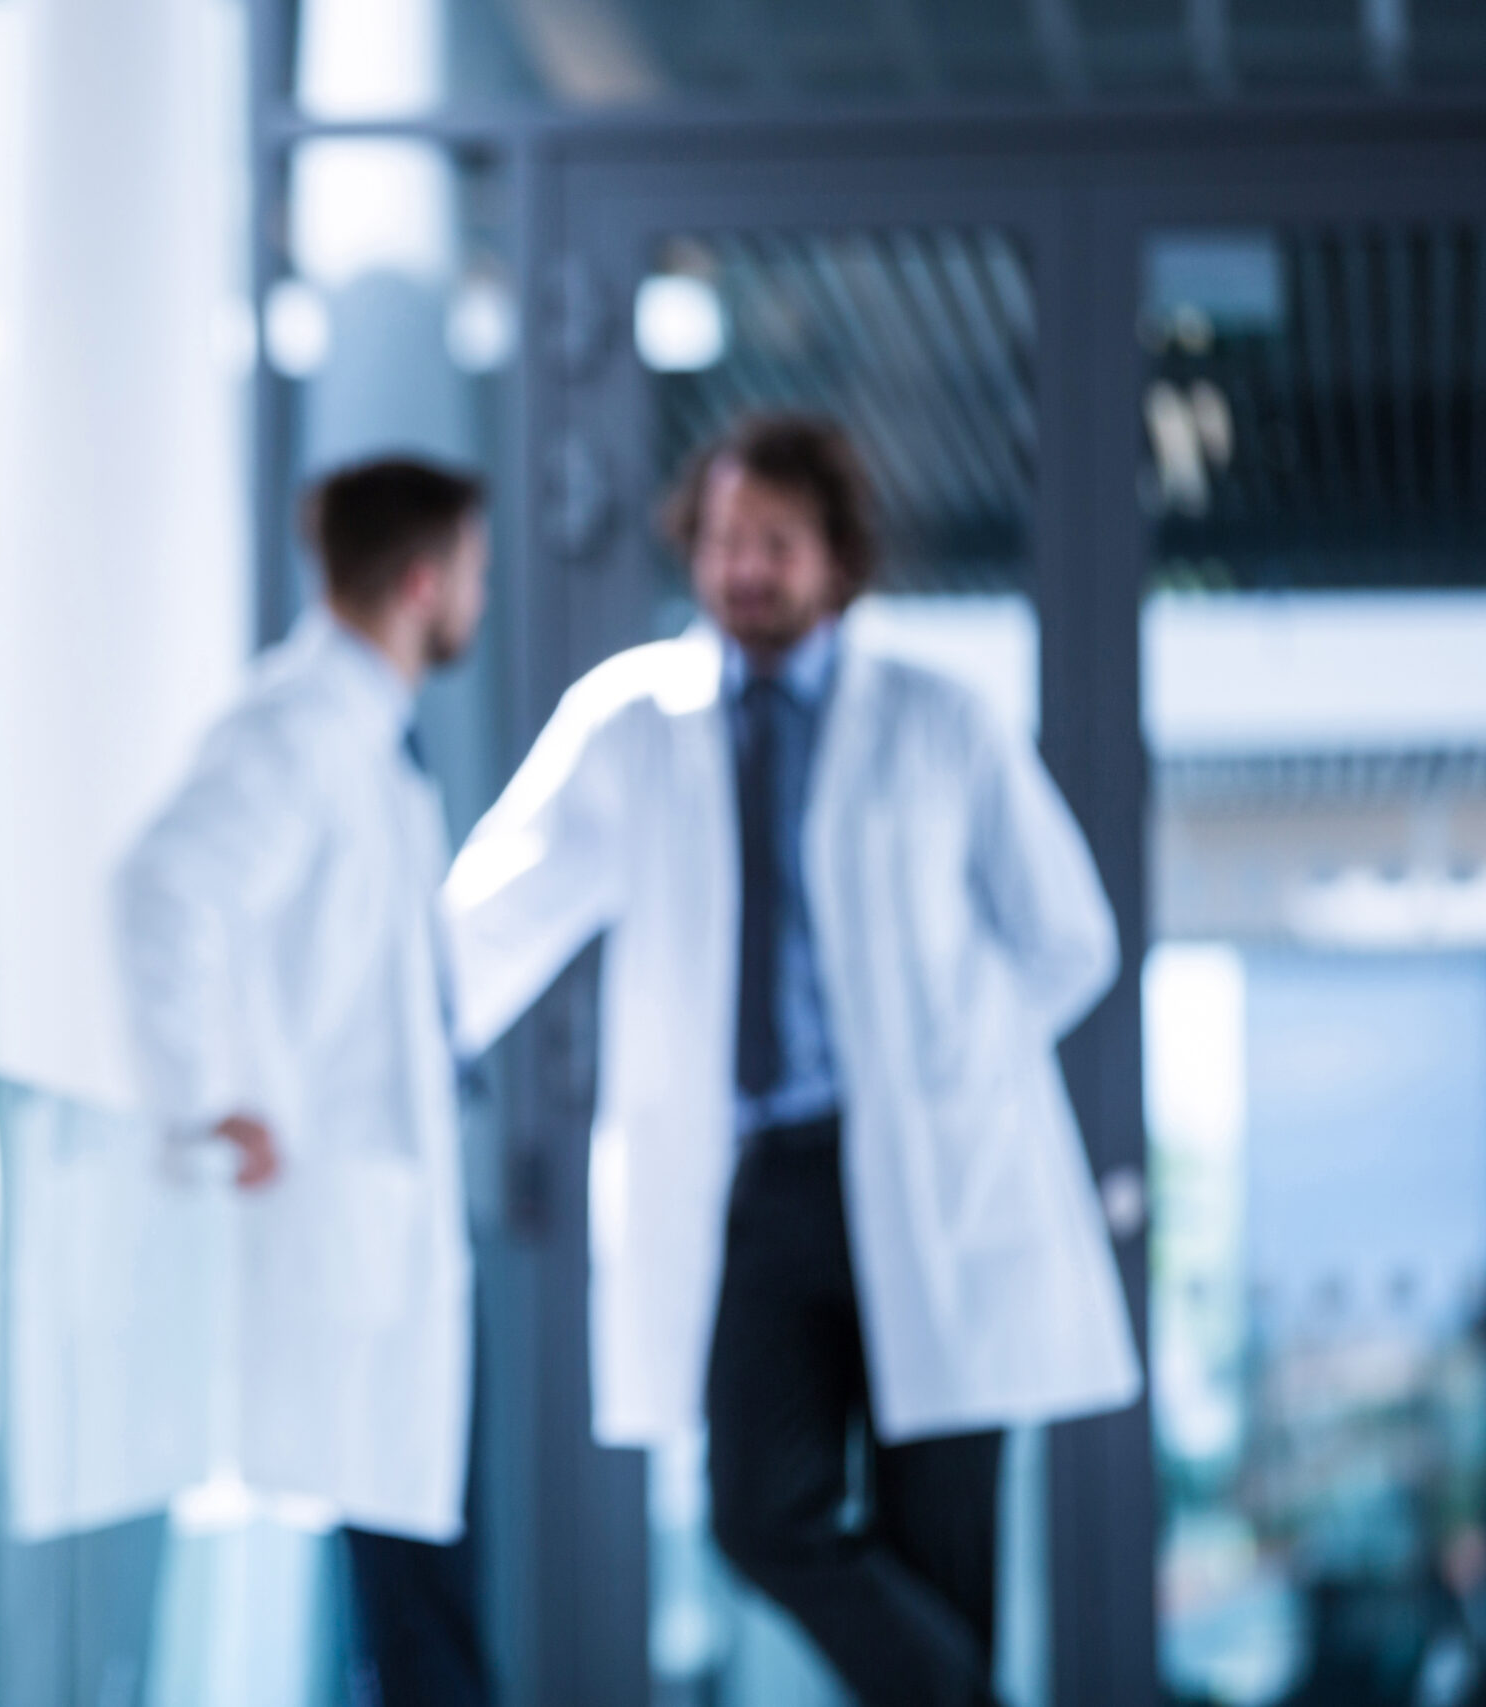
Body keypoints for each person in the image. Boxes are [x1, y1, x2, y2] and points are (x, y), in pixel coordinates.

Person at [441, 413, 1140, 1707]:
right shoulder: (632, 721)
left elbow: (1068, 938)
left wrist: (947, 1065)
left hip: (936, 1173)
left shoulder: (939, 720)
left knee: (946, 1552)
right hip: (758, 1183)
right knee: (758, 1513)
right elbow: (497, 910)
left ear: (838, 553)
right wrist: (397, 1045)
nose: (740, 569)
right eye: (717, 541)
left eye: (772, 542)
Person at [115, 457, 493, 1707]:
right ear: (425, 580)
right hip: (336, 1221)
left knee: (413, 1600)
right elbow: (164, 884)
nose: (473, 601)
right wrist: (204, 1096)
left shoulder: (369, 735)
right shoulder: (305, 722)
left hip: (374, 1223)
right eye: (475, 574)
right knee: (402, 1607)